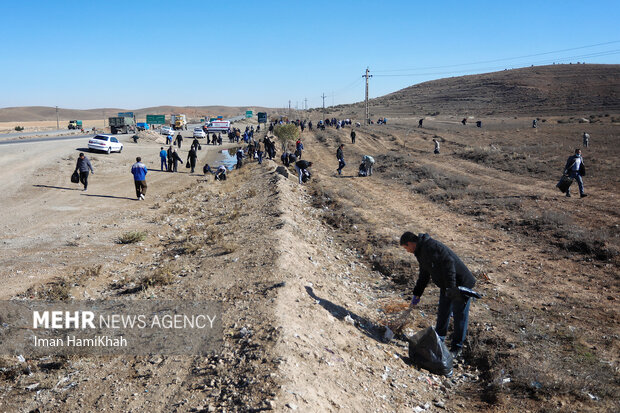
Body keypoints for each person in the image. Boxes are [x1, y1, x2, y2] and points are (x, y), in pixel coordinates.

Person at [400, 231, 476, 358]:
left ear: (410, 243)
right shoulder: (420, 252)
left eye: (405, 248)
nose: (407, 251)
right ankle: (438, 341)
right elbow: (424, 274)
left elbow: (449, 264)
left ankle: (457, 349)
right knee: (443, 313)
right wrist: (417, 294)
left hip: (460, 284)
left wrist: (452, 288)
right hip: (447, 285)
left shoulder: (431, 247)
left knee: (459, 316)